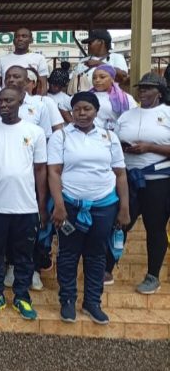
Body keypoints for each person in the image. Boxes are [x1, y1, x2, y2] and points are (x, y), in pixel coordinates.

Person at [47, 91, 130, 325]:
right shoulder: (61, 136)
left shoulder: (109, 137)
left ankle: (93, 302)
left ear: (96, 111)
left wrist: (124, 207)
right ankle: (67, 300)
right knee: (68, 254)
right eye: (77, 109)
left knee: (96, 255)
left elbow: (120, 174)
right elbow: (54, 171)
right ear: (71, 111)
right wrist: (59, 205)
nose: (81, 113)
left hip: (104, 205)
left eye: (87, 109)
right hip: (70, 205)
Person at [0, 88, 47, 320]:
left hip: (26, 207)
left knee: (24, 256)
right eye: (0, 101)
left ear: (21, 101)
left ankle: (21, 296)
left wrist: (41, 204)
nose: (4, 105)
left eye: (9, 100)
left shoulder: (35, 132)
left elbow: (40, 170)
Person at [115, 72, 170, 294]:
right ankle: (107, 268)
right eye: (141, 88)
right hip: (128, 178)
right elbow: (113, 142)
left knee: (155, 227)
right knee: (120, 223)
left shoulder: (167, 113)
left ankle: (153, 275)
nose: (143, 91)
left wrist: (149, 147)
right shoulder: (126, 115)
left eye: (148, 88)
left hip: (158, 179)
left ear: (160, 92)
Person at [69, 29, 128, 94]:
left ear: (101, 42)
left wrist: (99, 64)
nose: (88, 45)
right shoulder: (83, 61)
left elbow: (124, 76)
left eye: (90, 43)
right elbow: (72, 79)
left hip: (108, 98)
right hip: (85, 98)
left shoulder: (116, 57)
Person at [0, 28, 49, 94]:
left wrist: (41, 100)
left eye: (24, 36)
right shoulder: (2, 60)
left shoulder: (39, 58)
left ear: (31, 40)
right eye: (17, 36)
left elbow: (43, 87)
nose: (20, 39)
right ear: (13, 40)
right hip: (8, 98)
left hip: (31, 99)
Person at [90, 64, 136, 132]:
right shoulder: (86, 96)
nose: (97, 80)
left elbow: (133, 118)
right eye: (94, 78)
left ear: (112, 79)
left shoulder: (125, 98)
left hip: (116, 135)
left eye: (102, 77)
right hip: (91, 135)